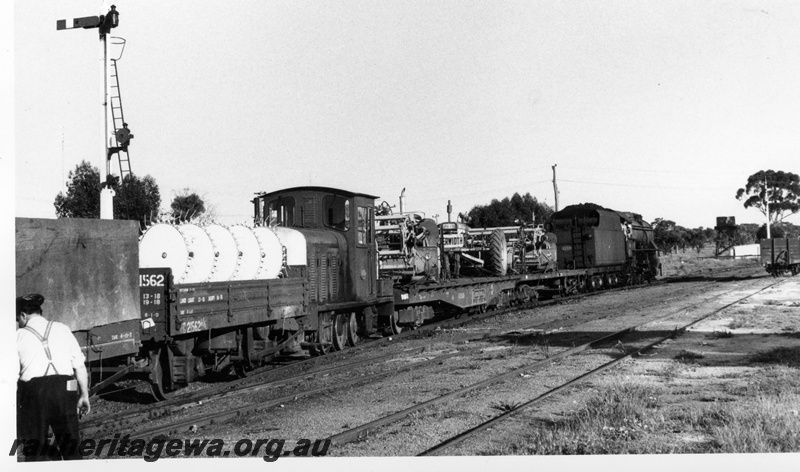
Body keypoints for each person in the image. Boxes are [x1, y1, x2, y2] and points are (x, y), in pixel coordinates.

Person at [16, 294, 90, 461]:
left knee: (35, 451)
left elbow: (12, 376)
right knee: (71, 449)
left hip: (34, 394)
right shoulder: (62, 328)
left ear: (23, 315)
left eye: (18, 319)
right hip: (66, 389)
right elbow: (79, 366)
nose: (18, 323)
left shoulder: (18, 336)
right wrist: (84, 395)